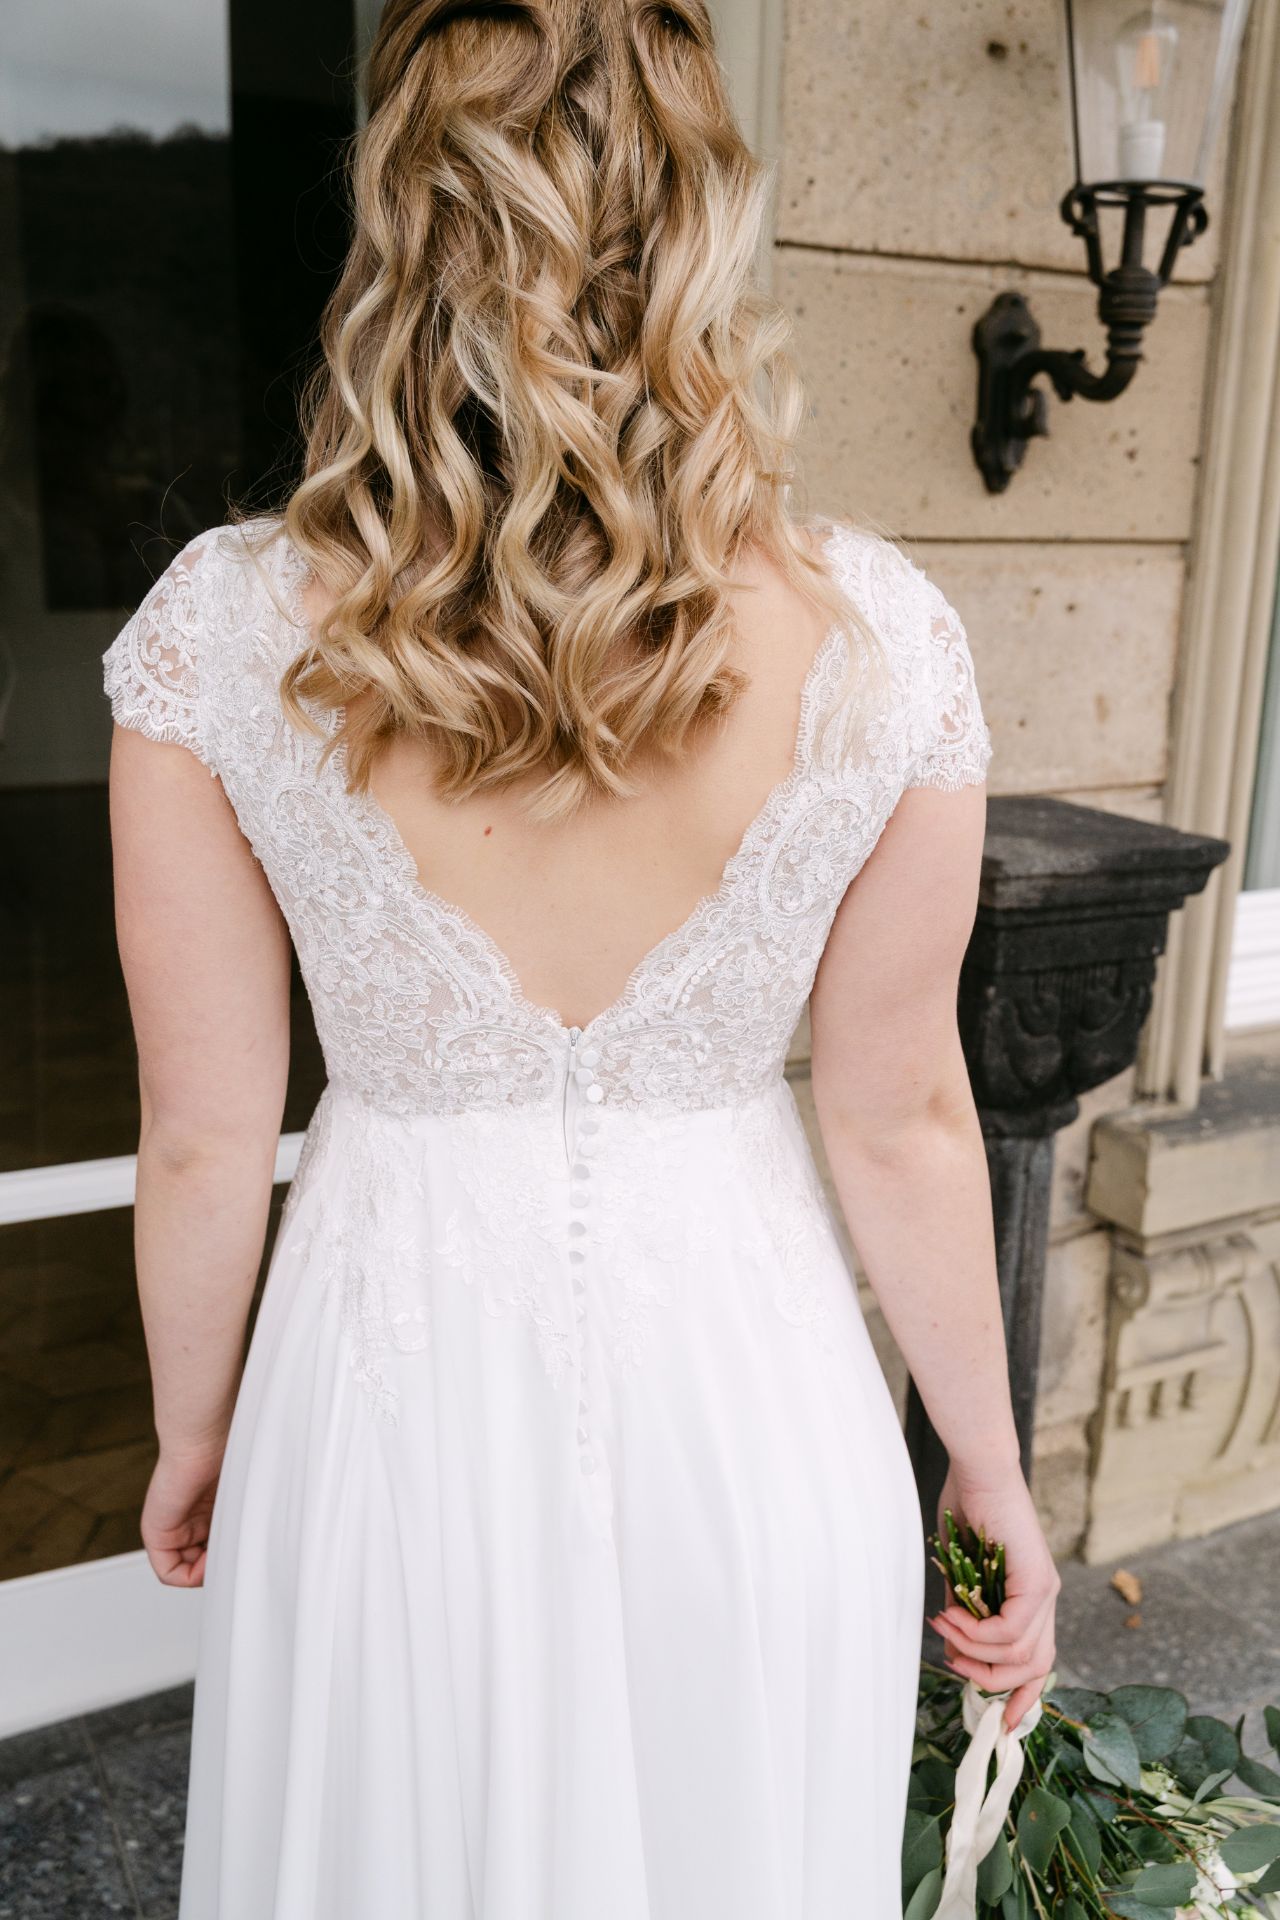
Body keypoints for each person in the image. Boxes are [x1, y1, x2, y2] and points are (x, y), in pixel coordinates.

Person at [103, 1, 1059, 1913]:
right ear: (702, 226)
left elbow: (205, 1139)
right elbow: (902, 1114)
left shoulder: (224, 630)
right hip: (752, 1410)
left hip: (379, 1414)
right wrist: (987, 1471)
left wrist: (197, 1434)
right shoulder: (878, 637)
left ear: (399, 224)